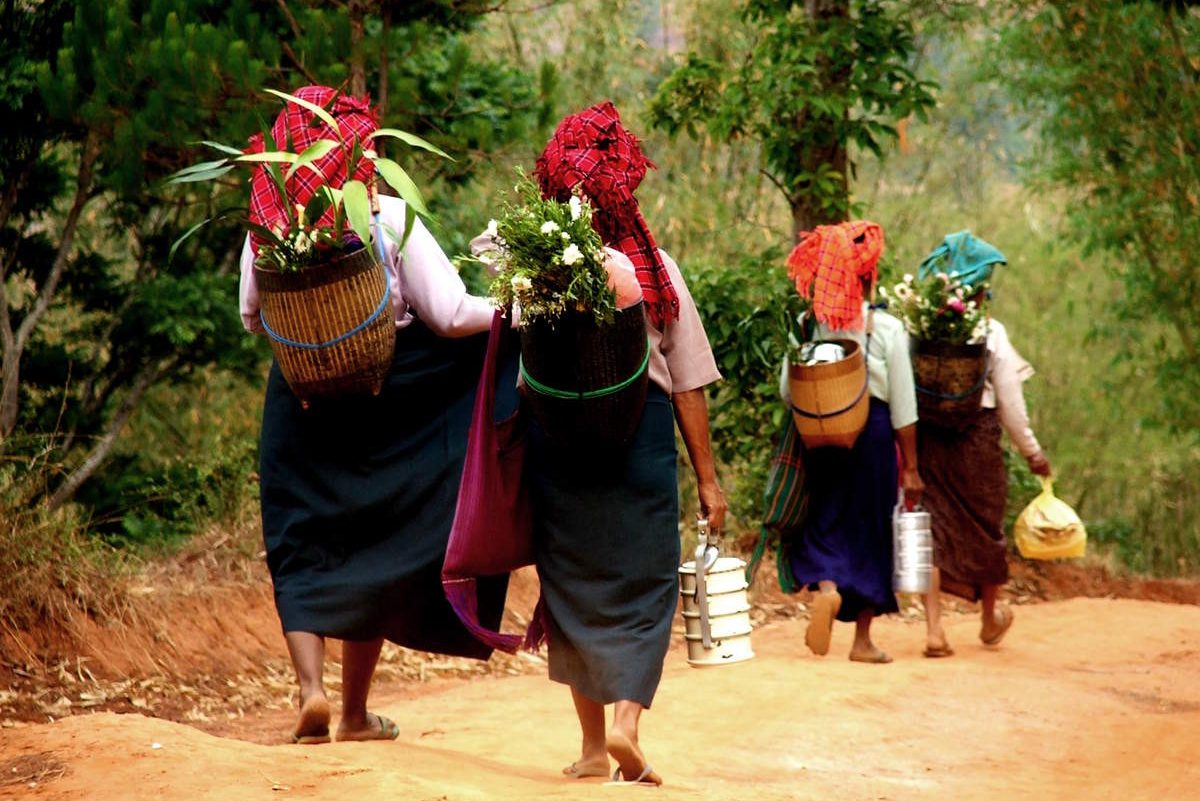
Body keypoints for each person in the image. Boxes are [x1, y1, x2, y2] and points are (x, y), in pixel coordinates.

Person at [239, 86, 508, 744]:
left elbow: (251, 314)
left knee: (298, 542)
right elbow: (447, 315)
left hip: (300, 404)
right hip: (389, 400)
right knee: (377, 544)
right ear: (361, 150)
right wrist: (511, 313)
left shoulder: (268, 226)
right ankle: (355, 712)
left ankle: (313, 692)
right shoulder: (385, 217)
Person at [524, 102, 727, 786]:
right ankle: (626, 725)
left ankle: (589, 746)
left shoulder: (534, 276)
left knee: (573, 585)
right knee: (644, 589)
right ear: (625, 192)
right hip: (640, 444)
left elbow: (512, 368)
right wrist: (708, 479)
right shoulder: (654, 270)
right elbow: (690, 380)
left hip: (557, 448)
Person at [781, 221, 923, 664]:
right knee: (870, 530)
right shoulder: (885, 328)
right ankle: (861, 642)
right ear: (866, 276)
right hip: (874, 433)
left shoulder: (808, 324)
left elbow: (787, 389)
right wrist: (913, 467)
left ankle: (827, 589)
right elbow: (904, 402)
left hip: (821, 434)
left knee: (825, 518)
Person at [915, 231, 1052, 658]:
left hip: (930, 440)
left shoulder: (918, 328)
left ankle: (934, 629)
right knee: (984, 528)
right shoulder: (991, 332)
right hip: (978, 443)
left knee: (932, 529)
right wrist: (1032, 452)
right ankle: (989, 617)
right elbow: (1011, 404)